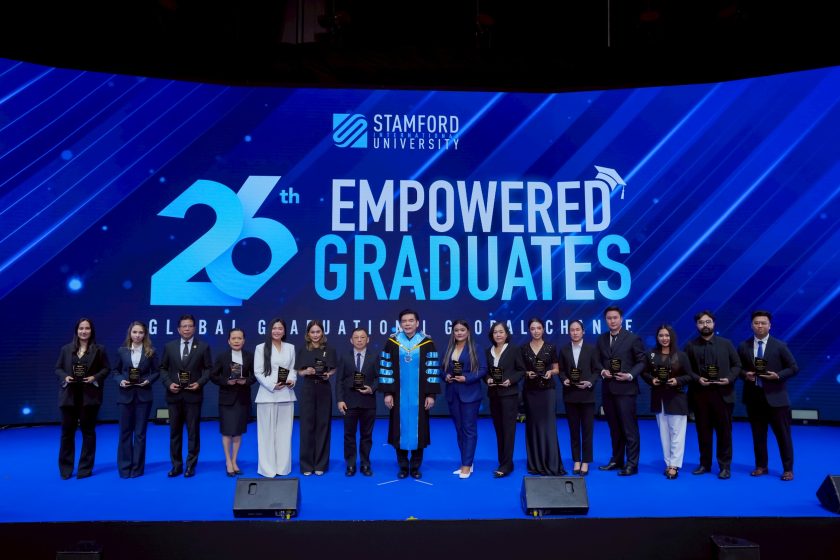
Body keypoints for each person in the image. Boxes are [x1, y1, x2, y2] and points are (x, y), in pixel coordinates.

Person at [378, 309, 441, 479]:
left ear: (417, 323)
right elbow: (386, 368)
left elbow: (432, 369)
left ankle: (415, 466)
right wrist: (388, 393)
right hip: (398, 395)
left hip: (420, 396)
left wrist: (431, 395)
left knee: (419, 429)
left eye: (411, 320)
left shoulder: (426, 343)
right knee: (399, 428)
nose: (407, 324)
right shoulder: (392, 342)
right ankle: (403, 466)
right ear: (400, 324)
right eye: (404, 321)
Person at [737, 310, 799, 481]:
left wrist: (777, 376)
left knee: (783, 436)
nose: (760, 326)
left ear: (769, 325)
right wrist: (745, 375)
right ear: (751, 325)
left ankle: (788, 469)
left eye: (763, 323)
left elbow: (793, 367)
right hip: (754, 399)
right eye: (756, 323)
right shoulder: (743, 346)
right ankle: (761, 466)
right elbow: (737, 368)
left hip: (777, 399)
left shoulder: (780, 346)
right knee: (758, 436)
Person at [683, 310, 741, 480]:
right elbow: (686, 369)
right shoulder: (690, 346)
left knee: (724, 433)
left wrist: (729, 379)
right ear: (697, 325)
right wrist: (697, 379)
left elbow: (737, 365)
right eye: (701, 322)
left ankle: (725, 467)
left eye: (708, 322)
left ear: (714, 324)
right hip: (700, 396)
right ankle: (704, 464)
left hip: (723, 395)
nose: (705, 325)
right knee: (703, 433)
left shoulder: (726, 344)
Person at [55, 318, 110, 479]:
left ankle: (85, 468)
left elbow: (106, 369)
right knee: (67, 433)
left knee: (88, 433)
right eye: (81, 328)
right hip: (69, 398)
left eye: (87, 328)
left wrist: (94, 377)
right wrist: (65, 377)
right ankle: (66, 468)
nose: (84, 331)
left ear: (91, 331)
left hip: (89, 398)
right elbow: (58, 368)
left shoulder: (99, 349)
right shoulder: (66, 349)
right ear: (76, 330)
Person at [160, 314, 212, 478]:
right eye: (184, 326)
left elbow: (208, 369)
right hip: (174, 396)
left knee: (193, 433)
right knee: (174, 432)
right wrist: (169, 383)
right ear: (178, 329)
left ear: (194, 328)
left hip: (193, 396)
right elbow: (163, 368)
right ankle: (176, 465)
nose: (187, 329)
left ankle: (190, 465)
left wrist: (199, 383)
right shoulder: (169, 346)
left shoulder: (203, 347)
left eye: (190, 326)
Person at [596, 306, 646, 476]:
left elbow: (642, 361)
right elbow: (597, 361)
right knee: (614, 428)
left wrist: (630, 375)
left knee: (629, 429)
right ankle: (617, 460)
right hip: (608, 390)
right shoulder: (601, 339)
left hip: (626, 390)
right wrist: (602, 371)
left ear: (621, 319)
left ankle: (632, 464)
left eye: (615, 317)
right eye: (609, 318)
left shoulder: (633, 338)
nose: (612, 321)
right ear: (606, 320)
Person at [641, 325, 694, 479]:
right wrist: (652, 380)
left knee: (677, 433)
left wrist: (677, 381)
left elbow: (690, 376)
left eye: (667, 335)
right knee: (664, 433)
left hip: (676, 398)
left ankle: (674, 465)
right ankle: (668, 463)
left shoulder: (681, 355)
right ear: (657, 337)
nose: (664, 338)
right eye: (661, 335)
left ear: (672, 337)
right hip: (659, 398)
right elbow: (644, 373)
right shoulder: (650, 354)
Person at [112, 320, 159, 478]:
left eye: (140, 332)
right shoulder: (121, 351)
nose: (137, 335)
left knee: (140, 434)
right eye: (135, 332)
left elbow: (156, 372)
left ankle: (137, 469)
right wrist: (121, 381)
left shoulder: (151, 351)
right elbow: (115, 371)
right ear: (130, 333)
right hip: (125, 396)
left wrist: (148, 381)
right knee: (125, 433)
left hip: (143, 397)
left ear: (145, 334)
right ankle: (125, 468)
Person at [520, 317, 566, 476]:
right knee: (533, 426)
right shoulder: (523, 348)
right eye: (533, 328)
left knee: (548, 426)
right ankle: (535, 464)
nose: (536, 331)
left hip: (547, 391)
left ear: (543, 329)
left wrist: (550, 372)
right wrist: (527, 373)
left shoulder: (551, 347)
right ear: (529, 330)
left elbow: (557, 369)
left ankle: (551, 463)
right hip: (530, 392)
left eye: (538, 328)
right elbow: (520, 370)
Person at [210, 328, 255, 477]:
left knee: (238, 432)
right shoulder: (222, 357)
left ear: (244, 340)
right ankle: (228, 461)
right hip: (226, 399)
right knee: (227, 431)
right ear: (229, 341)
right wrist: (226, 381)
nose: (236, 341)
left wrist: (245, 381)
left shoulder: (249, 356)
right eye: (233, 338)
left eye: (239, 338)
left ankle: (235, 460)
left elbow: (255, 376)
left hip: (242, 399)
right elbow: (213, 376)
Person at [442, 320, 485, 479]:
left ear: (468, 331)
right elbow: (441, 369)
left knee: (469, 429)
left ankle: (467, 465)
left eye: (462, 330)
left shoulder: (476, 348)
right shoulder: (449, 348)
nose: (459, 333)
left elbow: (483, 370)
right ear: (453, 332)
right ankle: (466, 462)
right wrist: (446, 376)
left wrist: (466, 378)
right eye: (456, 330)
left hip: (470, 395)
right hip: (453, 394)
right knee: (460, 429)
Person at [254, 318, 297, 477]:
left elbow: (293, 369)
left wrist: (291, 381)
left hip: (286, 395)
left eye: (280, 328)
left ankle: (283, 467)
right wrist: (272, 386)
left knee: (284, 433)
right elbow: (258, 372)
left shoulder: (290, 348)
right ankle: (267, 468)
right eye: (274, 328)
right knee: (266, 433)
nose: (277, 331)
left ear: (284, 331)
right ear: (270, 330)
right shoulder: (261, 348)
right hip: (267, 395)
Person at [559, 319, 600, 476]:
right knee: (574, 430)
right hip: (570, 395)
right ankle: (576, 459)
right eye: (572, 330)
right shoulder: (564, 350)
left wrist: (590, 382)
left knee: (587, 430)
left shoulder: (592, 349)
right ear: (569, 332)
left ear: (583, 331)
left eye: (577, 329)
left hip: (587, 395)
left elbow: (596, 371)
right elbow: (561, 370)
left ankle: (586, 461)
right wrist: (564, 379)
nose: (575, 332)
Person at [296, 319, 337, 476]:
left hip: (323, 389)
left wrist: (328, 374)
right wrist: (305, 372)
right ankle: (306, 465)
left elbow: (333, 369)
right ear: (308, 334)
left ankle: (321, 464)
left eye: (318, 331)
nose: (315, 335)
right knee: (306, 427)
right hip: (308, 389)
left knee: (323, 425)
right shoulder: (303, 350)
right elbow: (299, 371)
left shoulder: (330, 349)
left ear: (322, 332)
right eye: (312, 332)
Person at [485, 321, 525, 478]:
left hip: (509, 395)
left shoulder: (514, 350)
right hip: (494, 395)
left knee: (508, 431)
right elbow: (485, 372)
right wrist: (488, 379)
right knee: (499, 430)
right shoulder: (488, 351)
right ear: (492, 335)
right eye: (495, 332)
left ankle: (507, 465)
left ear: (506, 334)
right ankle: (503, 461)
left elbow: (521, 370)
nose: (498, 335)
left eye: (501, 332)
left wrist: (510, 380)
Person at [336, 328, 377, 477]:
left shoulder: (375, 356)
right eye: (356, 337)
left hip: (368, 402)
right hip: (349, 402)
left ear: (368, 339)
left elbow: (379, 378)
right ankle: (351, 464)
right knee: (349, 435)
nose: (359, 340)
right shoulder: (344, 357)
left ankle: (365, 463)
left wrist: (372, 388)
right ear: (351, 340)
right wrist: (340, 400)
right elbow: (339, 380)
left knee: (367, 435)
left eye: (362, 337)